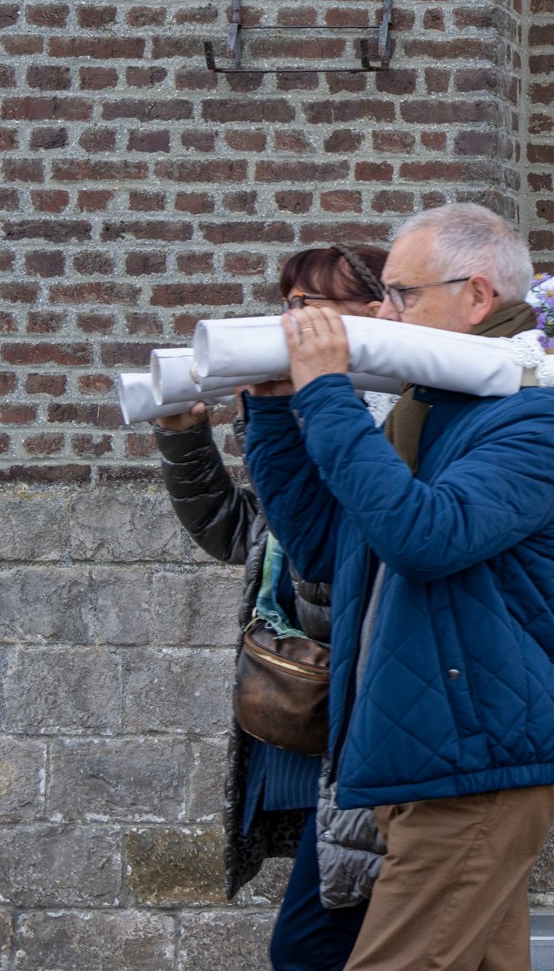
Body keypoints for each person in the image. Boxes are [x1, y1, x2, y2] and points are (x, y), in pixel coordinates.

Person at [242, 203, 554, 971]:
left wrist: (328, 394)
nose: (383, 313)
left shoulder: (535, 417)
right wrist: (273, 414)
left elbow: (425, 539)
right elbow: (329, 553)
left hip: (474, 753)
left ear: (476, 296)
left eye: (403, 293)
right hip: (421, 747)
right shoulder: (423, 408)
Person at [153, 244, 387, 971]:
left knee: (320, 934)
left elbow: (335, 555)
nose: (293, 319)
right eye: (287, 303)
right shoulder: (288, 412)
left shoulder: (381, 429)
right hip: (294, 699)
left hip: (356, 709)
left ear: (372, 317)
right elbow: (237, 530)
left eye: (313, 304)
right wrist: (185, 436)